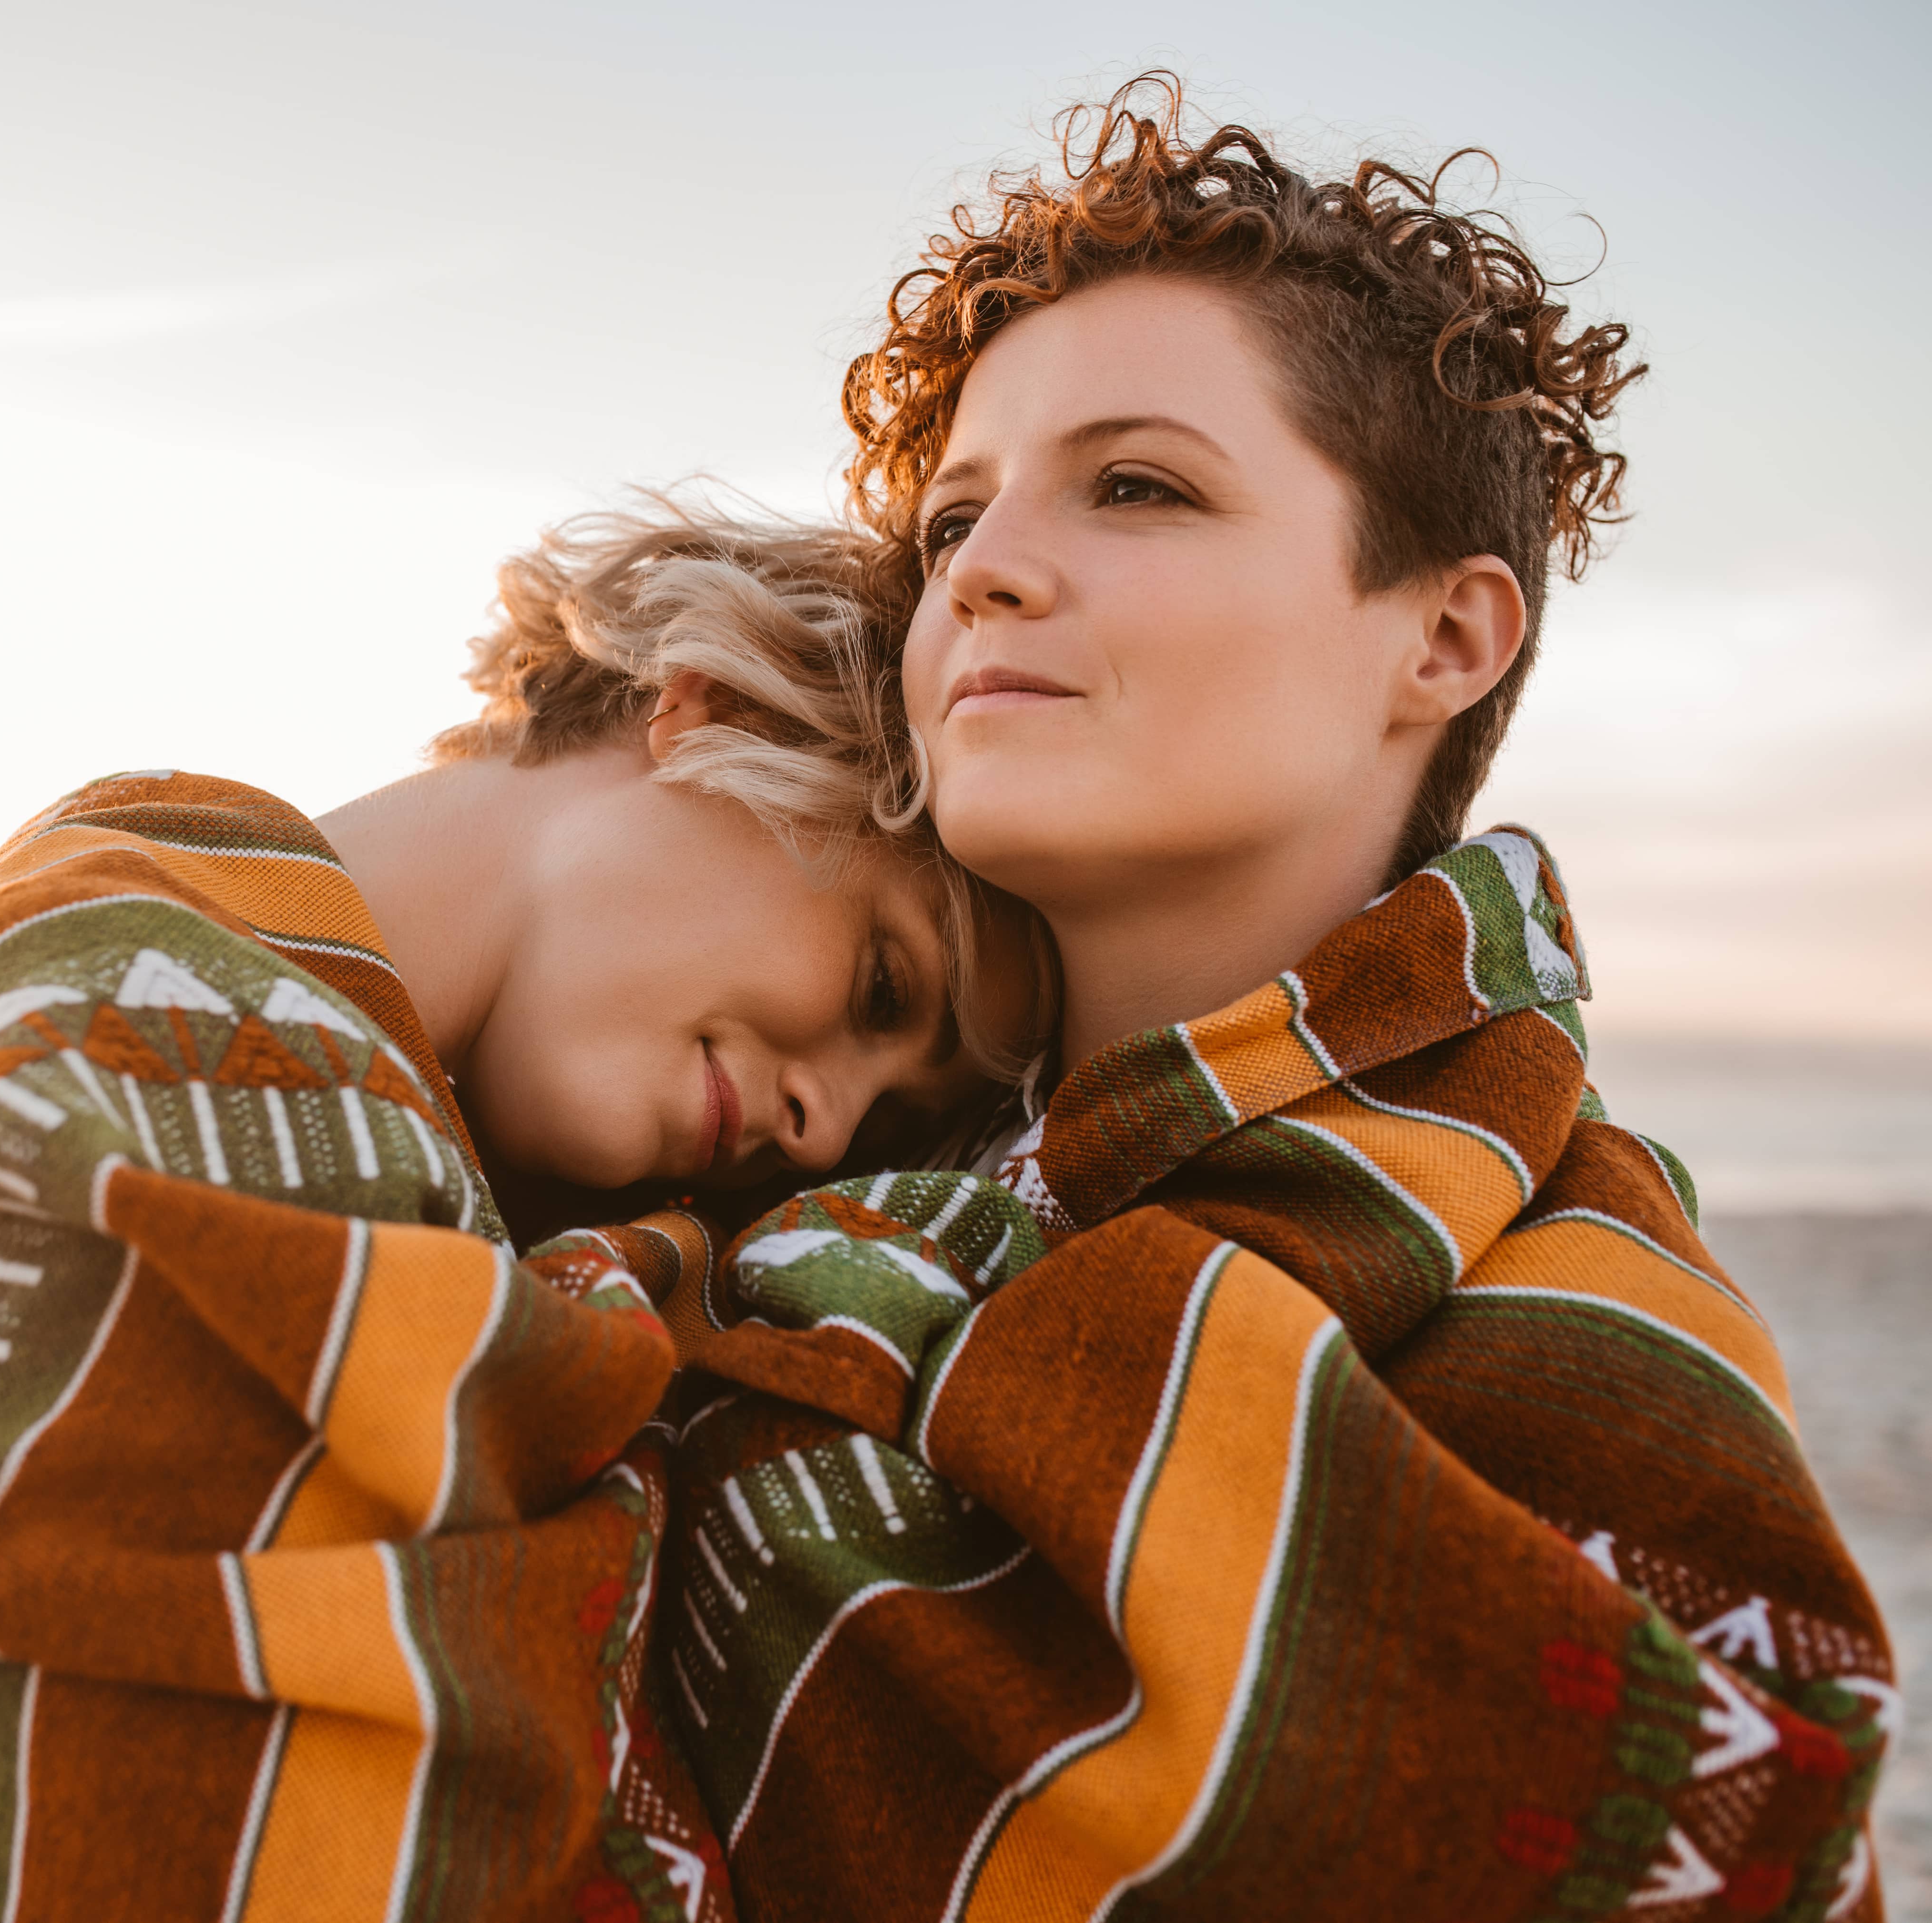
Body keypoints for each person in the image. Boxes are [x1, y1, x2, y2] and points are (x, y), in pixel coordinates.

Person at [650, 77, 1894, 1921]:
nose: (982, 566)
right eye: (954, 522)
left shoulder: (1585, 1313)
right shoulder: (751, 1142)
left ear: (1447, 638)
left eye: (1138, 484)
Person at [0, 507, 1026, 1922]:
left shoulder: (453, 1212)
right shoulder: (116, 1017)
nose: (825, 1123)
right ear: (708, 711)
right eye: (879, 987)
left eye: (888, 1120)